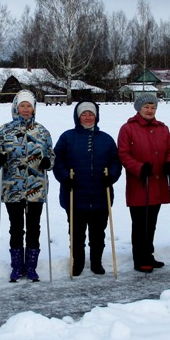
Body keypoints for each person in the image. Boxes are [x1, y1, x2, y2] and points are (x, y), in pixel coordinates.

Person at [0, 90, 54, 282]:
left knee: (34, 227)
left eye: (29, 106)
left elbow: (51, 154)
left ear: (34, 108)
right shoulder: (4, 130)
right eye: (22, 106)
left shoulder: (42, 131)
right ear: (15, 107)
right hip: (13, 187)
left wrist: (47, 162)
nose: (25, 110)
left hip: (36, 186)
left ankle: (31, 266)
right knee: (16, 227)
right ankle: (17, 266)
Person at [54, 101, 122, 276]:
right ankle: (77, 262)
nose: (88, 117)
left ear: (96, 116)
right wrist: (64, 177)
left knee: (98, 233)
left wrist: (111, 176)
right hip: (74, 195)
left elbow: (116, 161)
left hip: (100, 195)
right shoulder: (67, 137)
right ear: (78, 117)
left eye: (91, 114)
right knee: (76, 233)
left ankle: (96, 262)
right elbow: (58, 160)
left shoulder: (106, 139)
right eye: (84, 114)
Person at [117, 93, 170, 272]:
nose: (150, 110)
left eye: (153, 107)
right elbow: (123, 154)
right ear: (139, 108)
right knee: (140, 222)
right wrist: (138, 167)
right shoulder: (128, 128)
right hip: (140, 183)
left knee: (152, 221)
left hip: (157, 182)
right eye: (146, 107)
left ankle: (148, 255)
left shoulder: (162, 128)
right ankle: (140, 257)